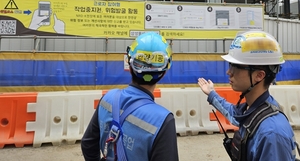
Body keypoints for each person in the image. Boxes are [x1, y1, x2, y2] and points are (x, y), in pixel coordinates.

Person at [197, 30, 299, 160]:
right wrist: (212, 94)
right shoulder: (255, 110)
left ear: (259, 76)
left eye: (236, 66)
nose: (229, 72)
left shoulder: (271, 133)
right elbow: (235, 115)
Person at [81, 32, 179, 161]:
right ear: (164, 72)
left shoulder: (108, 98)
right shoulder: (163, 120)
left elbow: (88, 143)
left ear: (129, 65)